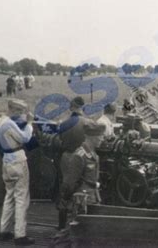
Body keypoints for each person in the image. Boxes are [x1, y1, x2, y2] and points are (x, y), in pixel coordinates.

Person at [0, 99, 35, 246]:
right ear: (16, 111)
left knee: (9, 196)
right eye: (20, 112)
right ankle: (20, 235)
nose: (21, 115)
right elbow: (24, 138)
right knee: (21, 198)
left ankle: (4, 231)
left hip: (6, 159)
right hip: (18, 160)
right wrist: (29, 124)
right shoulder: (9, 123)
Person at [57, 96, 89, 230]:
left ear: (71, 107)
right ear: (83, 107)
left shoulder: (64, 124)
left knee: (65, 189)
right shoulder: (88, 123)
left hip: (66, 157)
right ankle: (79, 223)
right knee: (81, 188)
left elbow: (59, 139)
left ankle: (61, 225)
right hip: (82, 158)